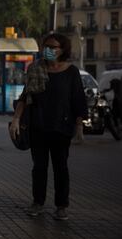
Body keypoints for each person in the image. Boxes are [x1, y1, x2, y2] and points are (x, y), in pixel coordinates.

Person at [9, 33, 87, 221]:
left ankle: (61, 206)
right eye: (46, 46)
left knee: (61, 168)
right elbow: (25, 97)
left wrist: (79, 127)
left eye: (53, 47)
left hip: (62, 128)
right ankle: (38, 203)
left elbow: (78, 100)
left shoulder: (71, 72)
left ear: (62, 50)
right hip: (38, 126)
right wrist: (16, 120)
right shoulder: (36, 69)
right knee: (39, 168)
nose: (48, 51)